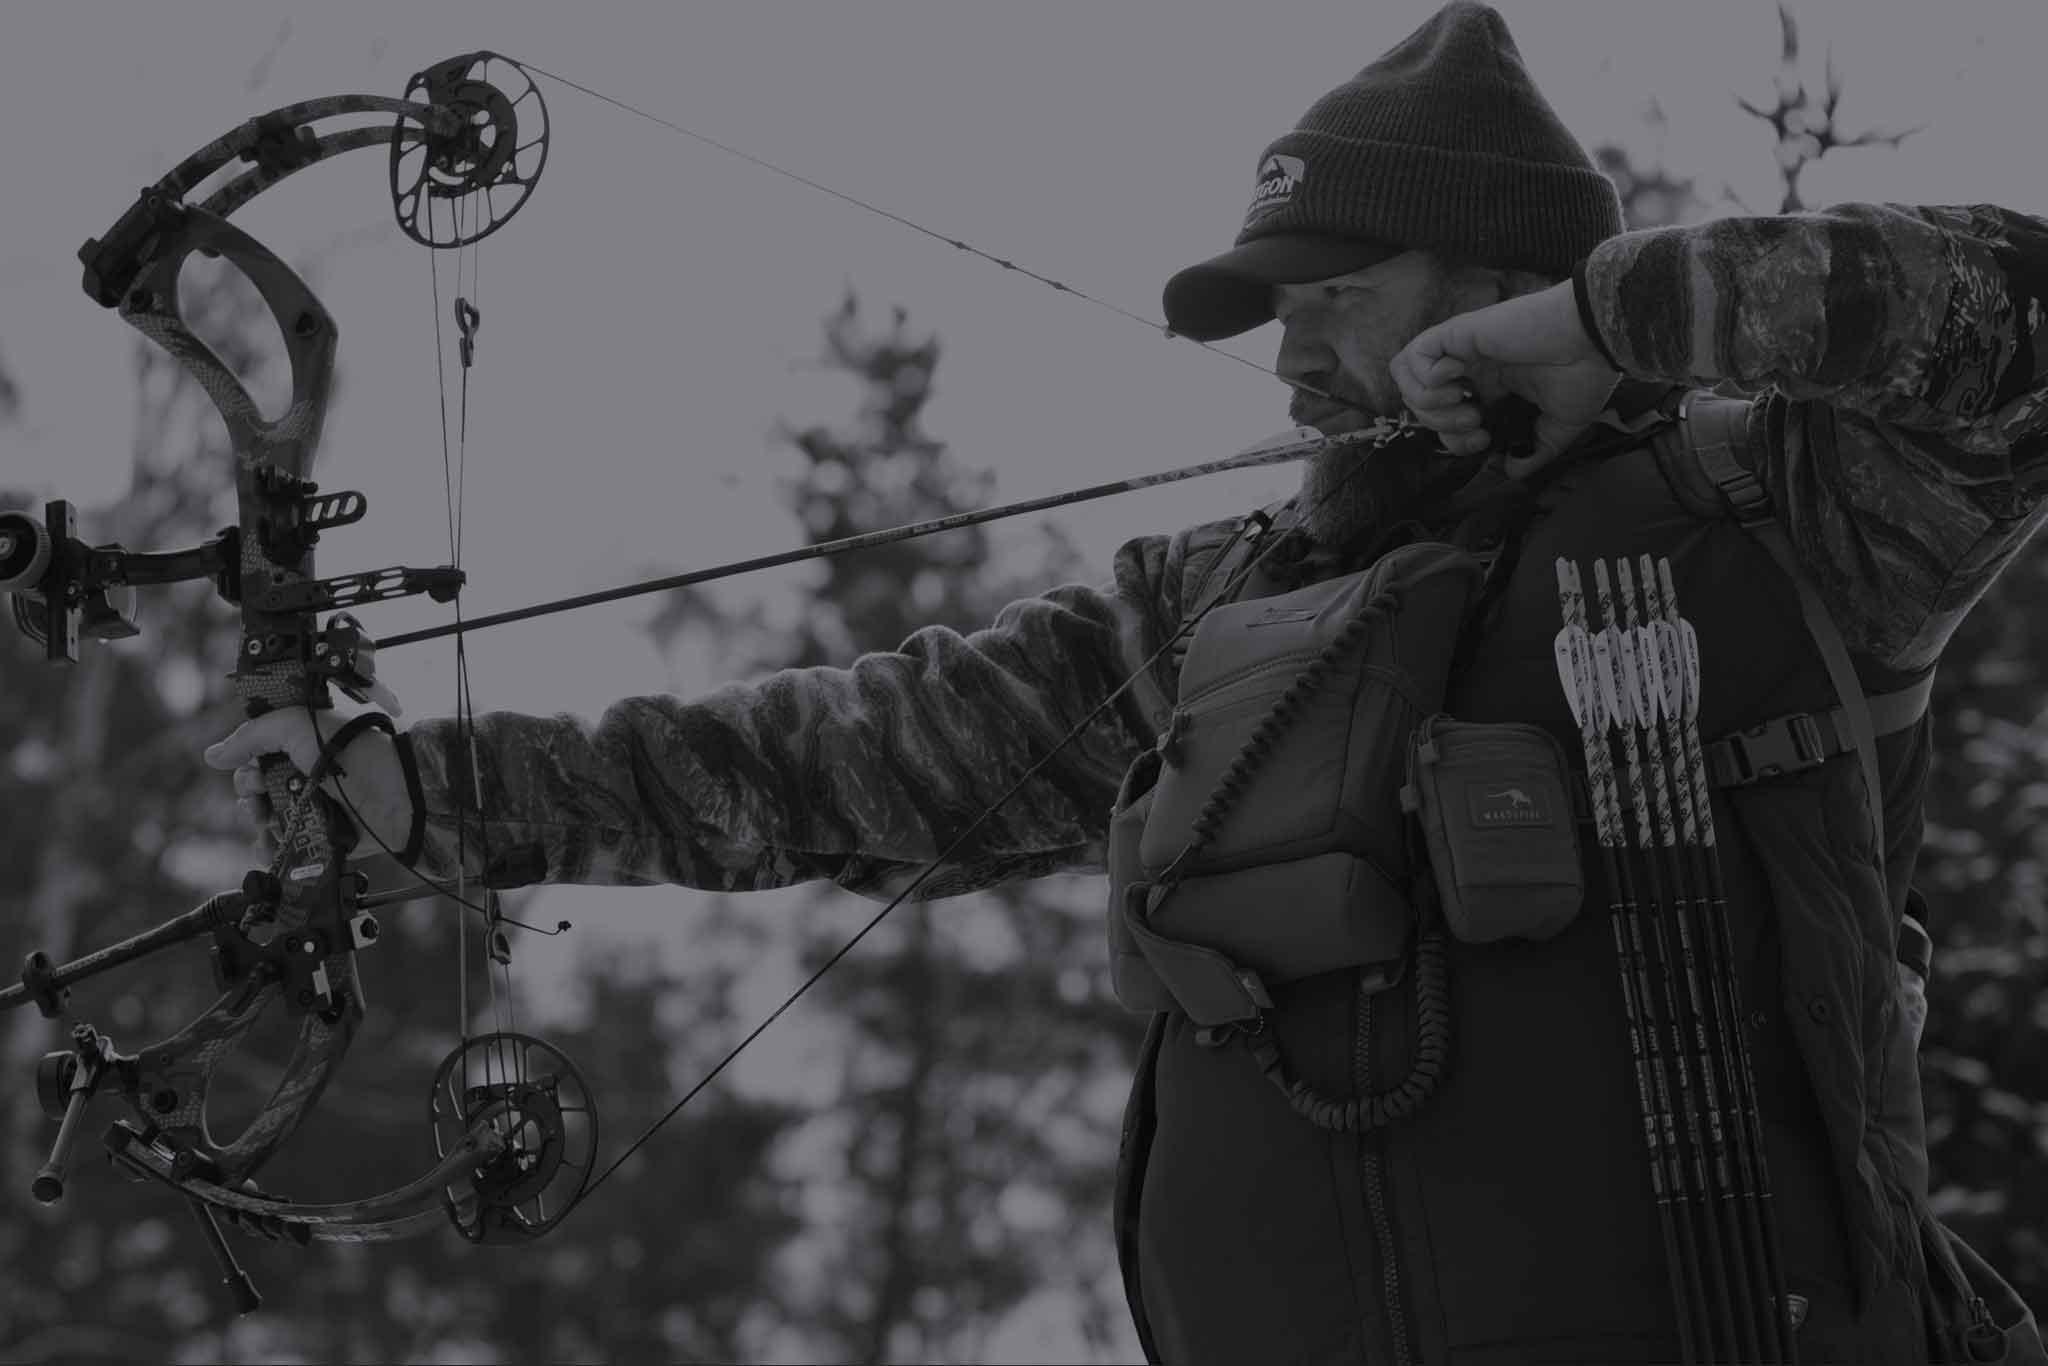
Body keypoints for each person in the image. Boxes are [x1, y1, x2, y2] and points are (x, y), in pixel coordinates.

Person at [207, 3, 2048, 1362]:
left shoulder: (1788, 509)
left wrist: (1614, 323)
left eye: (1338, 289)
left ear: (1502, 274)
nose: (1292, 353)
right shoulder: (1234, 600)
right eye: (1273, 309)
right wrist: (424, 789)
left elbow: (2017, 318)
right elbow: (836, 763)